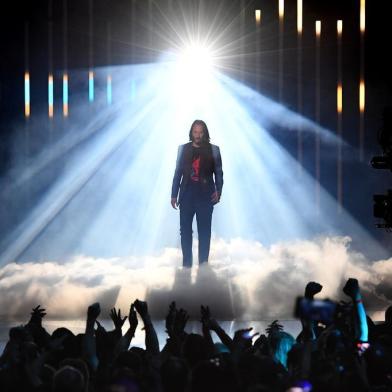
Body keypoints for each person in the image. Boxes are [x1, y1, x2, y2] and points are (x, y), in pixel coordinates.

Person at [171, 120, 223, 267]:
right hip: (186, 195)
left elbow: (219, 174)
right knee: (185, 232)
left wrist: (218, 191)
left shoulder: (214, 150)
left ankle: (203, 266)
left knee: (204, 232)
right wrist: (174, 194)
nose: (198, 135)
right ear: (191, 133)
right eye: (195, 132)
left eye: (201, 132)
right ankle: (187, 265)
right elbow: (177, 174)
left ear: (205, 133)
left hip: (205, 196)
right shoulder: (183, 149)